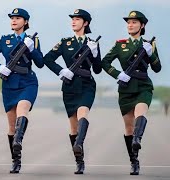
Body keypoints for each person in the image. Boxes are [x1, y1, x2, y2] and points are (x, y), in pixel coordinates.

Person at [0, 8, 44, 173]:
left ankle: (18, 140)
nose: (14, 21)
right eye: (12, 18)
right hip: (9, 84)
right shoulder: (5, 40)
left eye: (18, 18)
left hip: (28, 81)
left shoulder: (33, 40)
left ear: (25, 22)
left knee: (23, 108)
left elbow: (40, 63)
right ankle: (16, 160)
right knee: (11, 125)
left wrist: (32, 49)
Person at [101, 10, 161, 175]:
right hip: (126, 88)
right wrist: (117, 74)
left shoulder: (149, 44)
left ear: (142, 25)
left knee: (141, 111)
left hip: (143, 85)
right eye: (128, 22)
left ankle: (138, 139)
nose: (130, 24)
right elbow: (105, 62)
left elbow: (157, 68)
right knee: (128, 127)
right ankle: (134, 161)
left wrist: (151, 53)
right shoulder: (120, 44)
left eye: (134, 22)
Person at [43, 9, 101, 174]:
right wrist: (61, 71)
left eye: (77, 19)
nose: (73, 22)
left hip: (87, 84)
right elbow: (47, 59)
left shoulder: (92, 42)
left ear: (86, 23)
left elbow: (97, 69)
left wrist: (95, 52)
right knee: (73, 127)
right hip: (69, 85)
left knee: (83, 112)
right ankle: (79, 161)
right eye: (73, 19)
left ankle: (79, 144)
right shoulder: (65, 42)